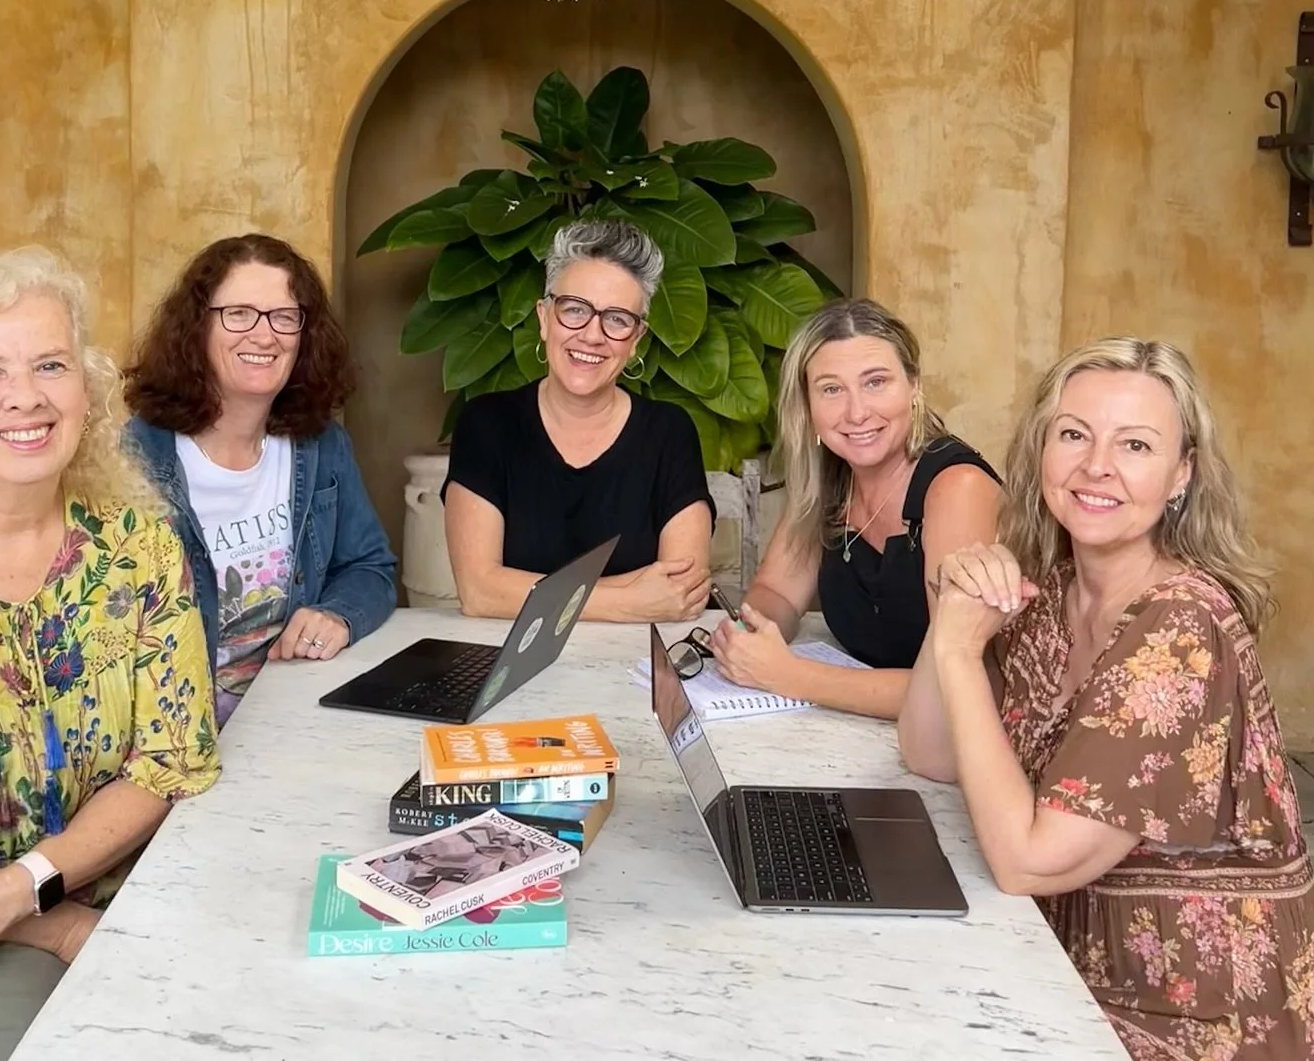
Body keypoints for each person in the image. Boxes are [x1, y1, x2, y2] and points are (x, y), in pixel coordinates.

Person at [900, 338, 1313, 1058]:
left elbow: (1030, 860)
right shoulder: (1049, 590)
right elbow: (928, 752)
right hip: (1060, 960)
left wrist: (964, 653)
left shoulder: (1182, 627)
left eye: (1136, 446)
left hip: (1190, 1019)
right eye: (1074, 435)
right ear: (1042, 451)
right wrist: (953, 606)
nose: (1097, 467)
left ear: (1181, 473)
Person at [0, 248, 220, 1061]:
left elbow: (173, 758)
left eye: (50, 364)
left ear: (87, 393)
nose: (24, 396)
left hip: (124, 896)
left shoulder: (137, 546)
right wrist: (55, 924)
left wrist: (25, 887)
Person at [124, 235, 396, 727]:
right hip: (173, 735)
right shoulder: (134, 458)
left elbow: (370, 568)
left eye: (284, 316)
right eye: (239, 314)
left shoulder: (321, 445)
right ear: (198, 326)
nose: (265, 335)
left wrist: (336, 615)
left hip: (288, 715)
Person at [709, 299, 1000, 718]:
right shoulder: (828, 477)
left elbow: (952, 686)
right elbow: (777, 594)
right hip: (860, 733)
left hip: (961, 747)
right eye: (831, 389)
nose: (857, 412)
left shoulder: (957, 487)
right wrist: (751, 634)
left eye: (876, 382)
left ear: (913, 385)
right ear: (807, 406)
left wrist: (787, 674)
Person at [443, 218, 714, 622]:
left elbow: (680, 594)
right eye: (575, 310)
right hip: (510, 667)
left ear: (637, 339)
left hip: (633, 667)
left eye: (618, 319)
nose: (592, 335)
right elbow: (480, 592)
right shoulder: (487, 424)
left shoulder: (669, 433)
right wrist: (626, 598)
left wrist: (522, 590)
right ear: (543, 318)